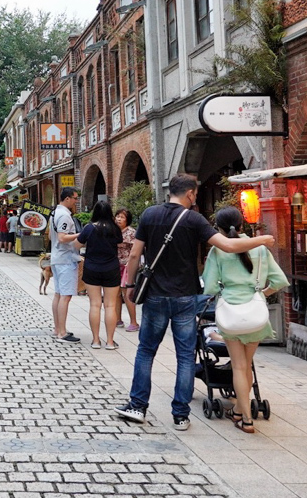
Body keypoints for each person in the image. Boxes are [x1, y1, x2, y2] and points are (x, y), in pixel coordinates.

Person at [115, 173, 274, 432]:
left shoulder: (150, 215)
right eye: (196, 194)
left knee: (146, 351)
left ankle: (137, 406)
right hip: (186, 297)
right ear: (190, 193)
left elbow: (135, 254)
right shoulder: (194, 219)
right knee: (186, 355)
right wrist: (262, 241)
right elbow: (228, 245)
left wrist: (130, 285)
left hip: (154, 295)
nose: (195, 198)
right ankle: (180, 415)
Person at [201, 206, 288, 434]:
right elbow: (280, 281)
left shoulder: (218, 252)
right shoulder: (259, 249)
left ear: (218, 228)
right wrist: (261, 294)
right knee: (246, 365)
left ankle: (247, 419)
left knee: (238, 366)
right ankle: (239, 410)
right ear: (242, 224)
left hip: (231, 314)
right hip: (256, 315)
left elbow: (209, 286)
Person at [78, 201, 123, 350]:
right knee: (110, 305)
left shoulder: (89, 228)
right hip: (111, 268)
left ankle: (96, 340)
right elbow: (119, 242)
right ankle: (110, 342)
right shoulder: (115, 229)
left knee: (95, 304)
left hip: (92, 268)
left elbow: (77, 245)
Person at [50, 187, 82, 343]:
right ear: (67, 198)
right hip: (65, 258)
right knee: (65, 296)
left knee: (58, 294)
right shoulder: (64, 216)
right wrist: (81, 234)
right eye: (75, 198)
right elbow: (62, 237)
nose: (76, 201)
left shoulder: (55, 212)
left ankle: (58, 328)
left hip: (57, 257)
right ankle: (62, 332)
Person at [115, 208, 140, 332]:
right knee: (116, 294)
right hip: (115, 265)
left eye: (122, 217)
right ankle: (117, 319)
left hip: (127, 266)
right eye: (117, 216)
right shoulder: (114, 231)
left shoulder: (131, 232)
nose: (119, 219)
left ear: (127, 220)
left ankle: (134, 322)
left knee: (126, 294)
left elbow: (136, 250)